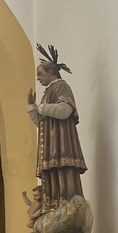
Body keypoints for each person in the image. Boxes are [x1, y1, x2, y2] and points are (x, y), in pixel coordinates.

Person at [27, 44, 87, 211]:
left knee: (63, 170)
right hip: (52, 144)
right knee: (53, 171)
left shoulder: (61, 87)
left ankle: (65, 202)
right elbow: (42, 123)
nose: (38, 78)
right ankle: (54, 203)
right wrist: (32, 107)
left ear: (50, 72)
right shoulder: (48, 92)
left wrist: (40, 107)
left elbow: (65, 110)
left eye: (40, 74)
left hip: (61, 143)